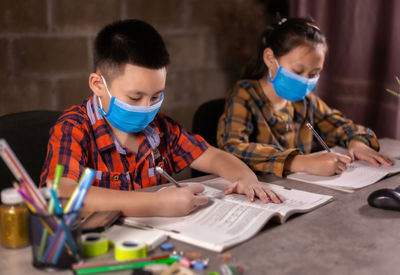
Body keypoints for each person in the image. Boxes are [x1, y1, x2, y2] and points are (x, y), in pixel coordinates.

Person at [40, 19, 282, 217]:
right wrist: (154, 204)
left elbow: (214, 156)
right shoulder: (73, 128)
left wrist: (245, 177)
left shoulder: (162, 129)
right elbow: (62, 194)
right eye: (135, 98)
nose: (147, 108)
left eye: (156, 96)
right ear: (98, 85)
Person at [217, 17, 392, 178]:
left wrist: (357, 142)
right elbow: (231, 149)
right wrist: (298, 162)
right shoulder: (244, 94)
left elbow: (342, 126)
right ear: (270, 58)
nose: (304, 81)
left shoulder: (306, 101)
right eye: (298, 71)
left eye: (314, 74)